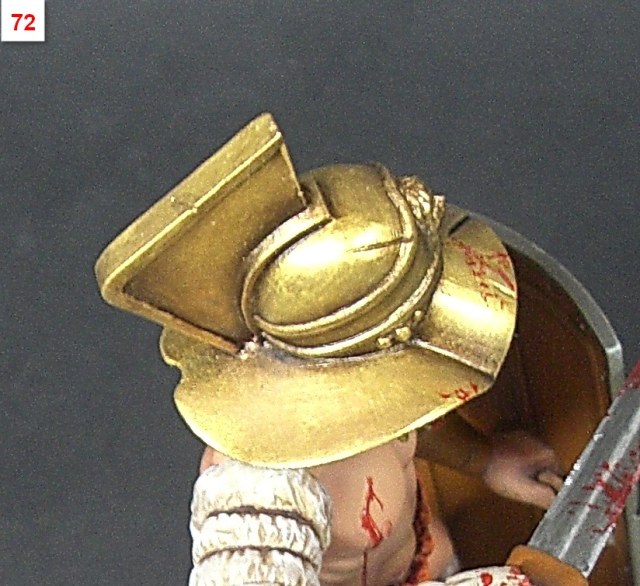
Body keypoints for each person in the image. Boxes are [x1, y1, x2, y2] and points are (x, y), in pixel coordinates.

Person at [96, 115, 576, 586]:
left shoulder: (361, 398)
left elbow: (393, 424)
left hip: (427, 556)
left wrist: (482, 459)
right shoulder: (254, 502)